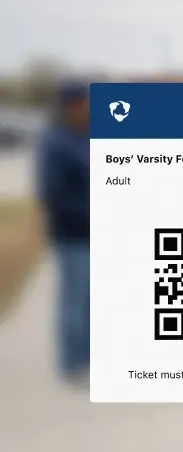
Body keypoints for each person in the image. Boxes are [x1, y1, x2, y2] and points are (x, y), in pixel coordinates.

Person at [36, 80, 91, 385]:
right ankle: (72, 364)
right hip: (73, 236)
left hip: (95, 234)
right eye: (86, 104)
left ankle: (88, 357)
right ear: (72, 106)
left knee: (91, 300)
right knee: (74, 300)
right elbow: (51, 193)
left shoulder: (85, 138)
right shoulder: (56, 143)